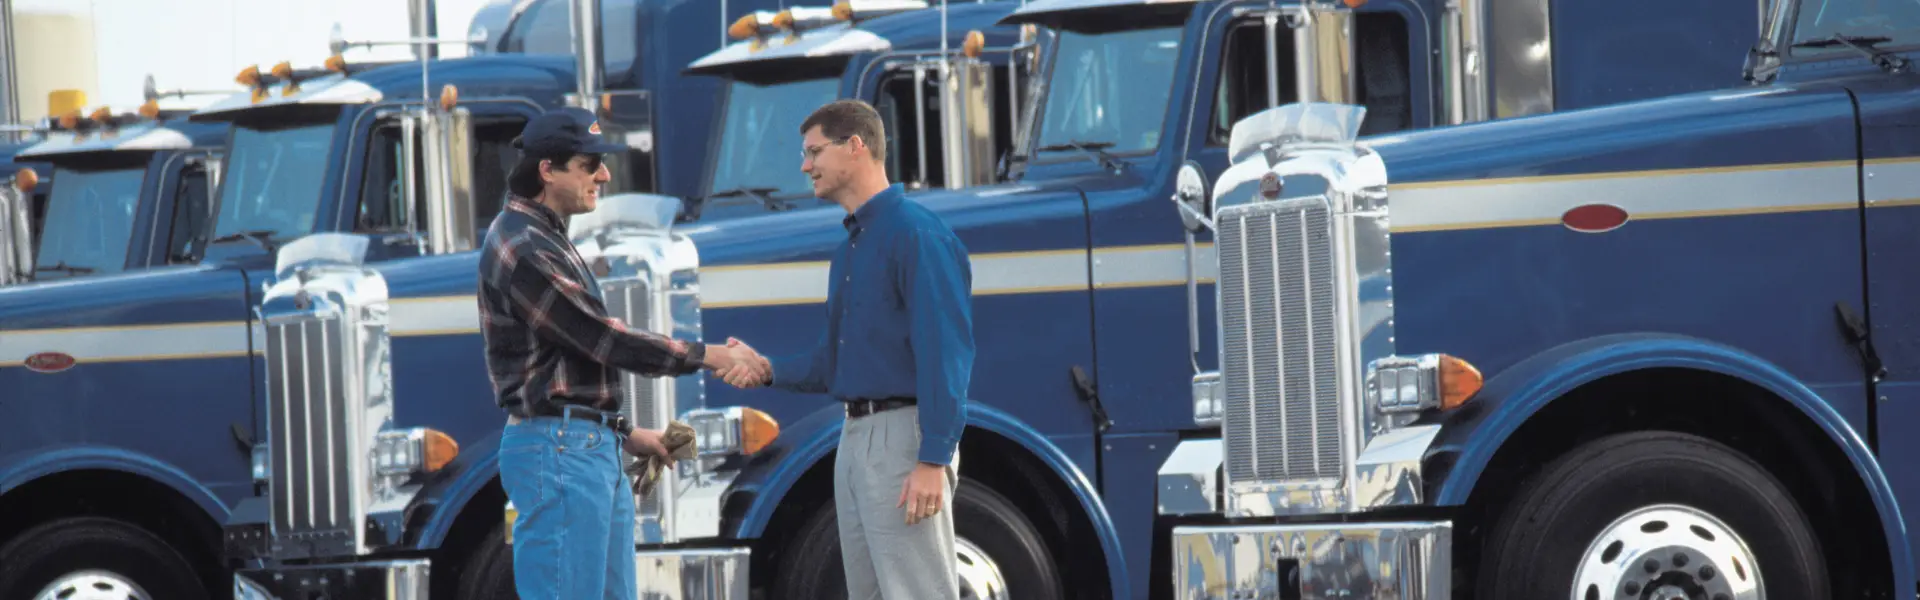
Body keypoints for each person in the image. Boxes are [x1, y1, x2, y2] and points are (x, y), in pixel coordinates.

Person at [477, 106, 766, 600]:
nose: (605, 175)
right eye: (590, 164)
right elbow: (600, 338)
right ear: (547, 170)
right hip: (562, 452)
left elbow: (565, 362)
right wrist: (709, 355)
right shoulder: (524, 247)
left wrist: (624, 432)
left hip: (578, 448)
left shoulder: (540, 236)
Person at [719, 99, 974, 600]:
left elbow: (947, 355)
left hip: (904, 440)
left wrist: (932, 459)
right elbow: (835, 362)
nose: (804, 165)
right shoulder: (852, 248)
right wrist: (767, 369)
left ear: (855, 146)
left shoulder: (917, 235)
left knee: (918, 592)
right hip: (855, 440)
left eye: (813, 151)